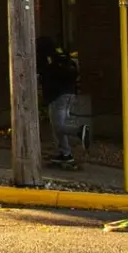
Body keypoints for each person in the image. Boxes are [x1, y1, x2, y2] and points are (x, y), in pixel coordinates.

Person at [38, 36, 81, 165]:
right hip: (70, 93)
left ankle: (79, 131)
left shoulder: (46, 57)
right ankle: (65, 153)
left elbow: (45, 75)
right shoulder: (61, 54)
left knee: (58, 126)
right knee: (59, 124)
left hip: (57, 95)